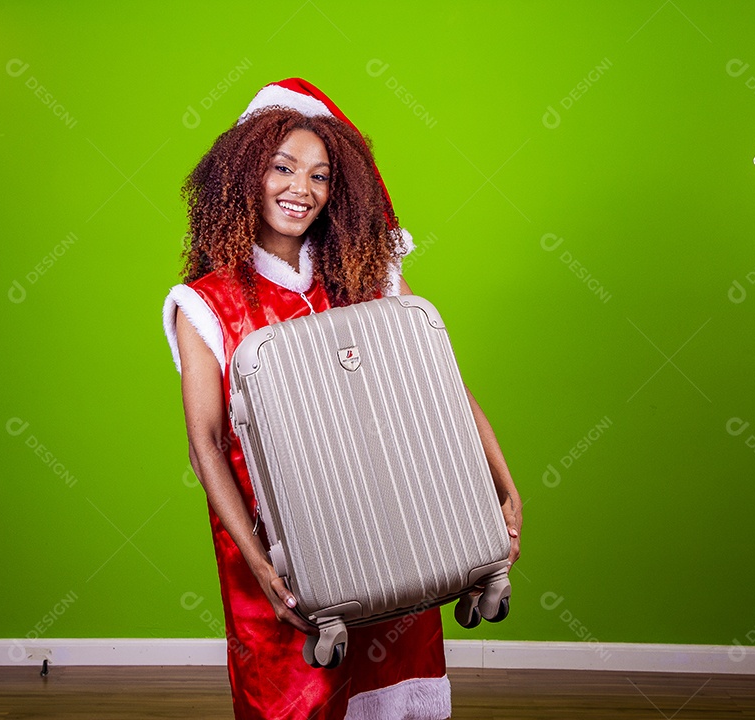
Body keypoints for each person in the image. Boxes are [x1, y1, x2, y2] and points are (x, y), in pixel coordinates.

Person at [162, 78, 522, 720]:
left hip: (394, 527)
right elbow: (206, 445)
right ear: (246, 173)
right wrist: (257, 564)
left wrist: (504, 484)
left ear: (339, 190)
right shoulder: (206, 303)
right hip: (281, 555)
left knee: (393, 700)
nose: (301, 189)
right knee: (295, 702)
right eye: (282, 167)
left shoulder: (368, 273)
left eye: (321, 176)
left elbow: (442, 383)